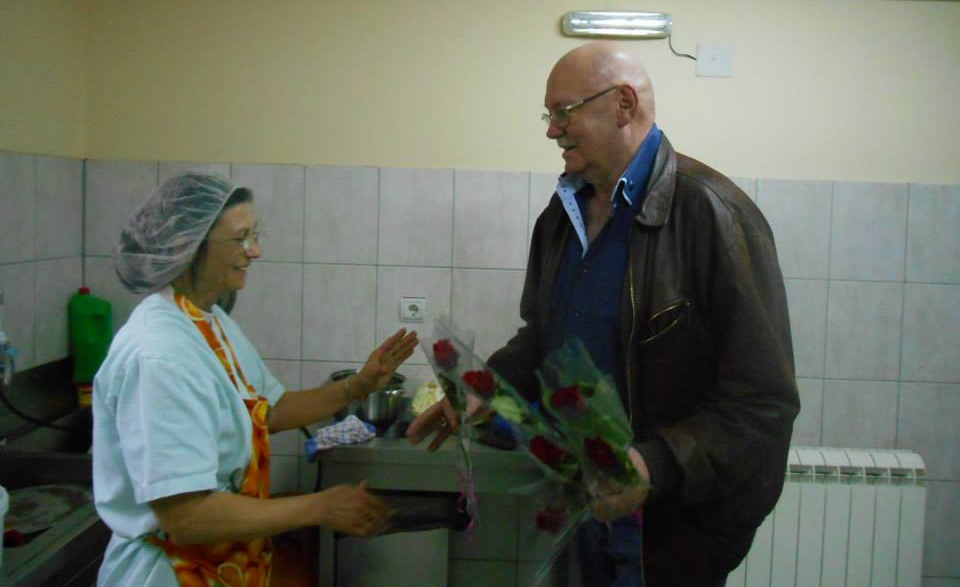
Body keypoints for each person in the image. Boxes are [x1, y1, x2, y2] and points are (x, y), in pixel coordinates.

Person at [408, 42, 799, 587]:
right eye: (549, 114)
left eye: (565, 111)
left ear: (623, 105)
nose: (552, 130)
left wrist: (651, 466)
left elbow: (763, 401)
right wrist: (483, 389)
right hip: (583, 504)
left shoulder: (713, 213)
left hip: (672, 531)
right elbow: (542, 337)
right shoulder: (560, 216)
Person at [93, 172, 418, 586]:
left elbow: (269, 411)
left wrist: (358, 385)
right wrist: (319, 507)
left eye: (254, 235)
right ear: (189, 246)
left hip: (224, 567)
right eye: (240, 238)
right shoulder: (160, 355)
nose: (255, 251)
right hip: (169, 573)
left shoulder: (209, 322)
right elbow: (187, 518)